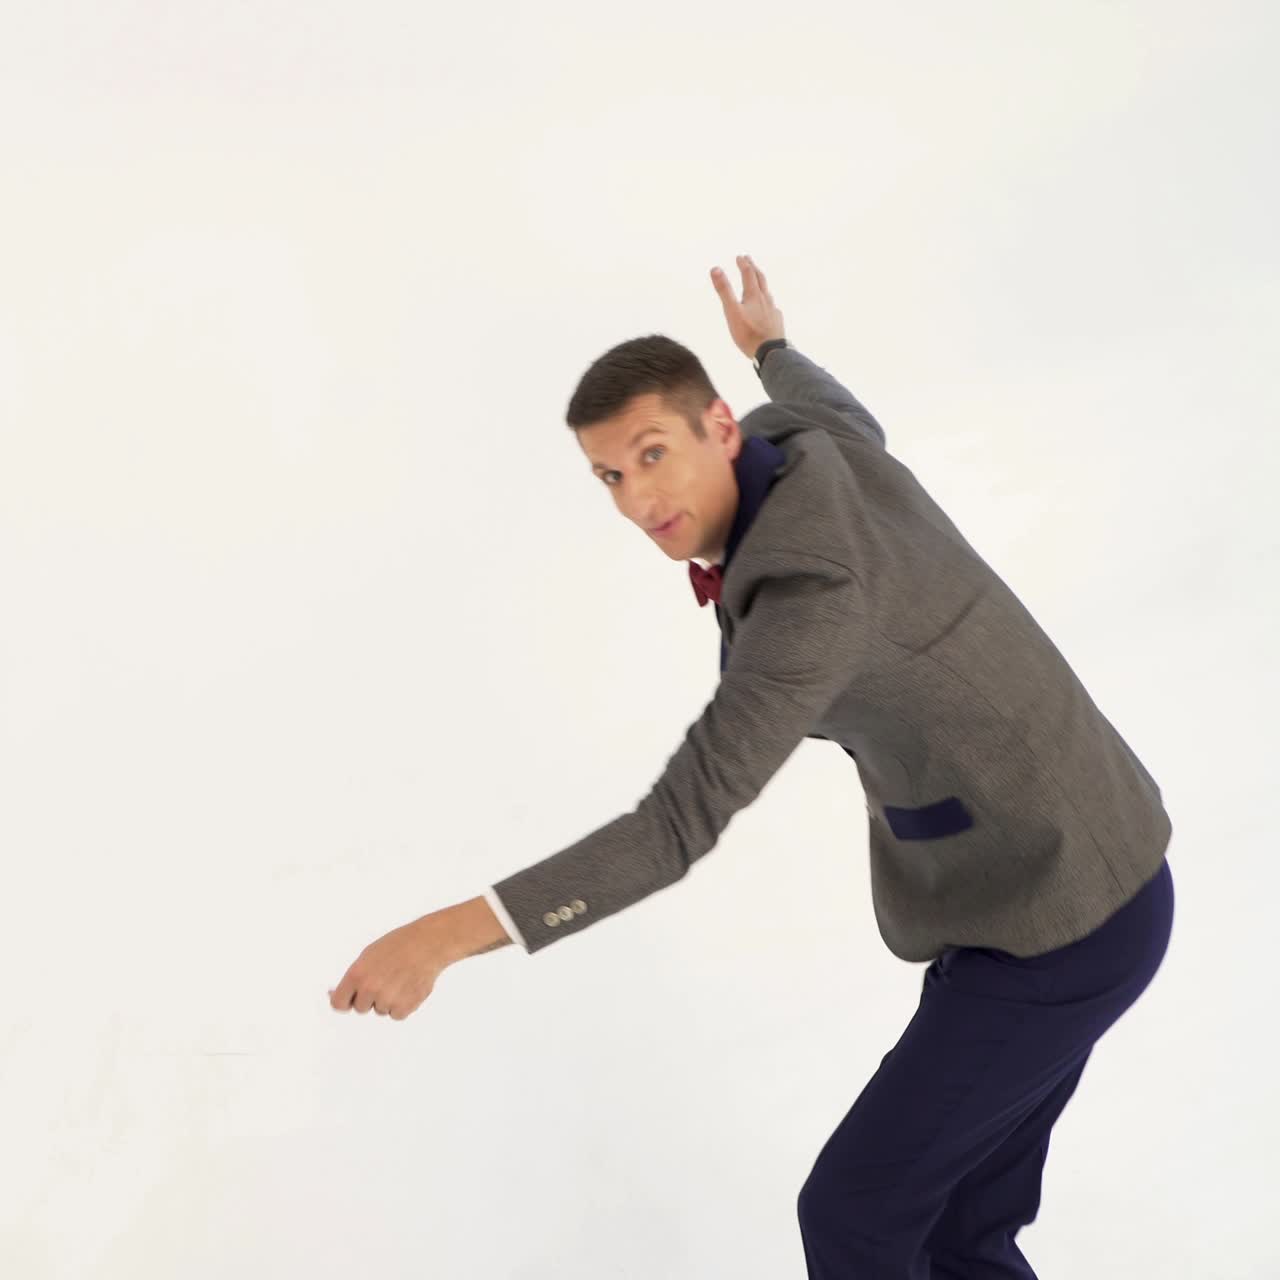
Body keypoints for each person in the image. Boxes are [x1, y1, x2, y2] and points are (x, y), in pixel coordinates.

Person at [329, 254, 1174, 1279]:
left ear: (719, 429)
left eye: (652, 454)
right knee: (957, 1232)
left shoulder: (813, 596)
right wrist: (771, 345)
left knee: (856, 1212)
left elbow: (675, 827)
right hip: (1039, 873)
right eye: (610, 475)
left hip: (1065, 913)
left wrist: (443, 936)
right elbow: (847, 412)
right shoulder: (804, 438)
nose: (638, 497)